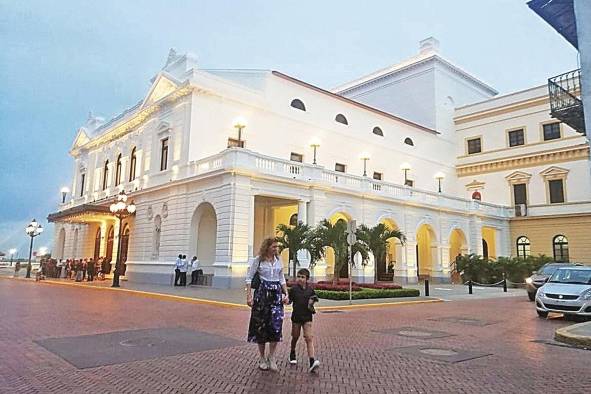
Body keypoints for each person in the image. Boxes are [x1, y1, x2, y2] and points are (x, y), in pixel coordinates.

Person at [245, 238, 289, 372]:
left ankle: (272, 357)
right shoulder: (258, 260)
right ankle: (262, 358)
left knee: (276, 326)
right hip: (262, 294)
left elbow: (281, 278)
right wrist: (249, 296)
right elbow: (249, 277)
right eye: (274, 246)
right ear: (267, 247)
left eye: (277, 246)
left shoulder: (278, 260)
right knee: (261, 327)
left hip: (276, 294)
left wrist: (286, 293)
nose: (276, 249)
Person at [288, 268, 320, 372]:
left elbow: (314, 299)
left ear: (307, 279)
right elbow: (289, 301)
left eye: (303, 277)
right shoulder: (293, 289)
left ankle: (312, 361)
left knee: (309, 338)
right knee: (295, 337)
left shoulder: (310, 290)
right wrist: (284, 300)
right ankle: (292, 352)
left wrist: (312, 302)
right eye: (299, 276)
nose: (300, 279)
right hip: (296, 317)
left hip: (307, 317)